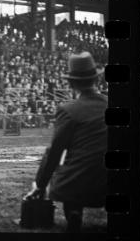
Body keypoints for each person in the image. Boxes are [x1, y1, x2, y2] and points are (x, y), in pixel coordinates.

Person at [25, 52, 107, 233]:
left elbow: (54, 152)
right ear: (96, 79)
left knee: (70, 169)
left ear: (71, 83)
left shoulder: (68, 109)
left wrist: (40, 185)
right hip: (111, 184)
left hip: (78, 185)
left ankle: (74, 212)